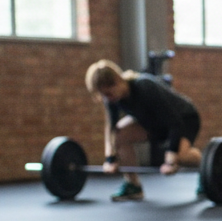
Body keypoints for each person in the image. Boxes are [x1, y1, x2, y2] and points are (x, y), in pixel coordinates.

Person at [84, 60, 201, 202]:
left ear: (117, 81)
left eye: (108, 93)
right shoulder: (113, 99)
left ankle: (207, 169)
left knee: (181, 157)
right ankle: (133, 185)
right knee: (121, 134)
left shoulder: (144, 86)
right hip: (154, 123)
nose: (106, 99)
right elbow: (111, 129)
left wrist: (171, 158)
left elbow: (174, 122)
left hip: (185, 118)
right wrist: (110, 158)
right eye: (103, 95)